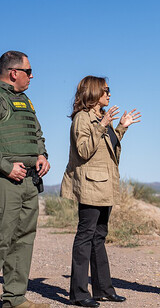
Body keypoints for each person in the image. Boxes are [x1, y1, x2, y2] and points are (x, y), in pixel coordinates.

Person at [60, 76, 141, 307]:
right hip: (89, 186)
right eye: (106, 90)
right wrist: (103, 125)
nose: (109, 94)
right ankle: (78, 293)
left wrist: (121, 128)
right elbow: (84, 150)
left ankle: (103, 289)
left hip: (104, 185)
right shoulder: (82, 118)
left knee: (99, 236)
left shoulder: (98, 118)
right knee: (85, 236)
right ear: (94, 92)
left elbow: (108, 150)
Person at [0, 51, 51, 308]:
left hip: (29, 181)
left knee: (23, 240)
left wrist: (42, 154)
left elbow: (37, 133)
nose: (32, 76)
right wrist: (6, 167)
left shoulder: (25, 101)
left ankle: (14, 299)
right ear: (14, 73)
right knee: (1, 239)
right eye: (28, 71)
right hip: (6, 182)